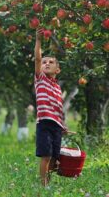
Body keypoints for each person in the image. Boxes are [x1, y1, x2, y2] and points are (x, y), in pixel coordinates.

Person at [34, 28, 75, 186]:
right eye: (45, 62)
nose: (46, 64)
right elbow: (37, 59)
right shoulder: (41, 79)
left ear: (57, 69)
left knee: (55, 157)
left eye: (51, 62)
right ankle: (43, 185)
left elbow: (59, 109)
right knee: (46, 155)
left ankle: (48, 183)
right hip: (44, 123)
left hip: (56, 125)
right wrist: (38, 40)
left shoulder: (57, 87)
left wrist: (63, 126)